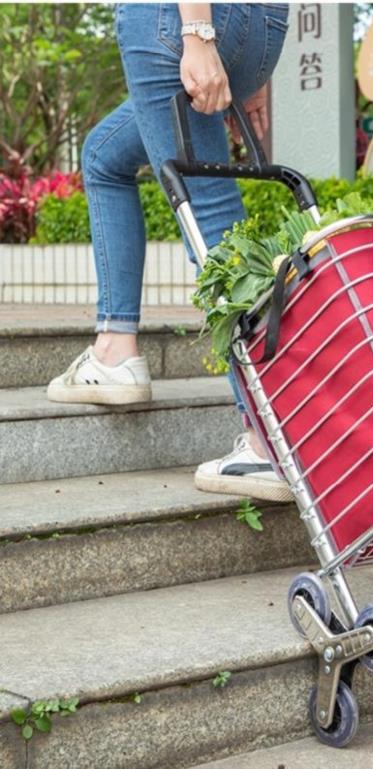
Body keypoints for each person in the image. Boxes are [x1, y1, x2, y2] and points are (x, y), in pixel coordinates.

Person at [47, 3, 292, 502]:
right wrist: (250, 69)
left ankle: (269, 437)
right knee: (103, 155)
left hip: (178, 18)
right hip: (262, 24)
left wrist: (198, 33)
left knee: (209, 211)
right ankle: (115, 348)